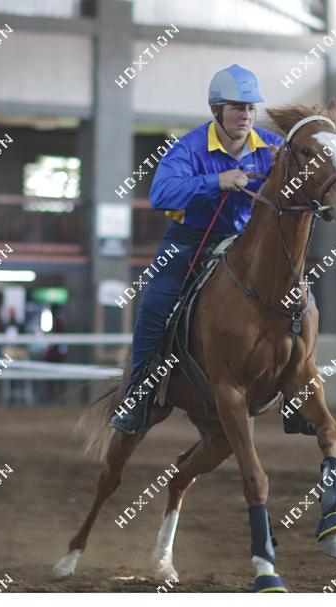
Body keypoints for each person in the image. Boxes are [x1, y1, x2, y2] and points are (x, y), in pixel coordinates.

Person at [109, 64, 283, 434]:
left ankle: (300, 394)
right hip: (190, 240)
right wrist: (216, 181)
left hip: (247, 244)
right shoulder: (187, 148)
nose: (246, 115)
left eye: (250, 108)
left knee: (297, 298)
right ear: (216, 110)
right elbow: (160, 194)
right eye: (237, 108)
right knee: (154, 306)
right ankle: (136, 396)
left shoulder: (273, 147)